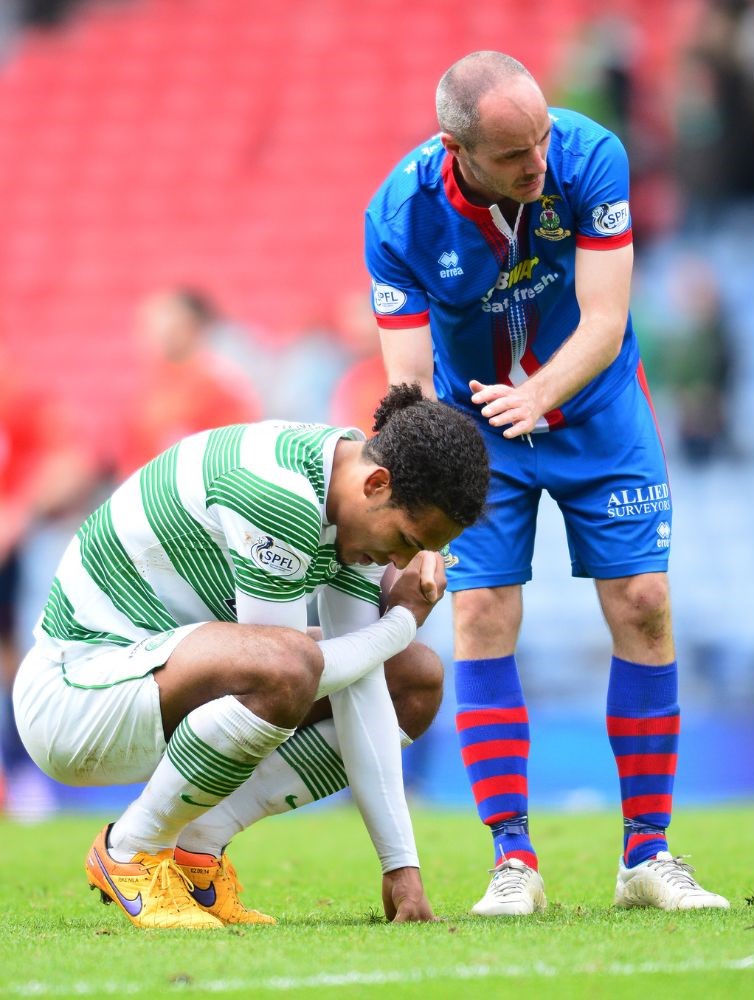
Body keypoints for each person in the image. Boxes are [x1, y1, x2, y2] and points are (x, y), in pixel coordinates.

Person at [365, 51, 729, 915]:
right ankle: (513, 863)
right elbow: (408, 388)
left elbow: (606, 319)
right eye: (515, 154)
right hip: (472, 430)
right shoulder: (399, 214)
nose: (540, 161)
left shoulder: (590, 152)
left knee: (643, 600)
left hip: (596, 409)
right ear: (458, 149)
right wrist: (419, 523)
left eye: (541, 138)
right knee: (482, 612)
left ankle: (648, 856)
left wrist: (539, 394)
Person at [13, 385, 489, 929]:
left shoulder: (348, 493)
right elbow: (291, 670)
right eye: (407, 539)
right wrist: (401, 620)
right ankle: (130, 850)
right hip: (74, 700)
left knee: (415, 681)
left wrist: (400, 867)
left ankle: (198, 849)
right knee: (287, 667)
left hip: (154, 681)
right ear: (377, 484)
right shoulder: (279, 495)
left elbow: (360, 686)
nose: (403, 562)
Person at [116, 287, 264, 481]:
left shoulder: (221, 381)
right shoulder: (149, 386)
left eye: (166, 318)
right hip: (151, 495)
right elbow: (132, 455)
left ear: (190, 325)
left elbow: (238, 448)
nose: (156, 330)